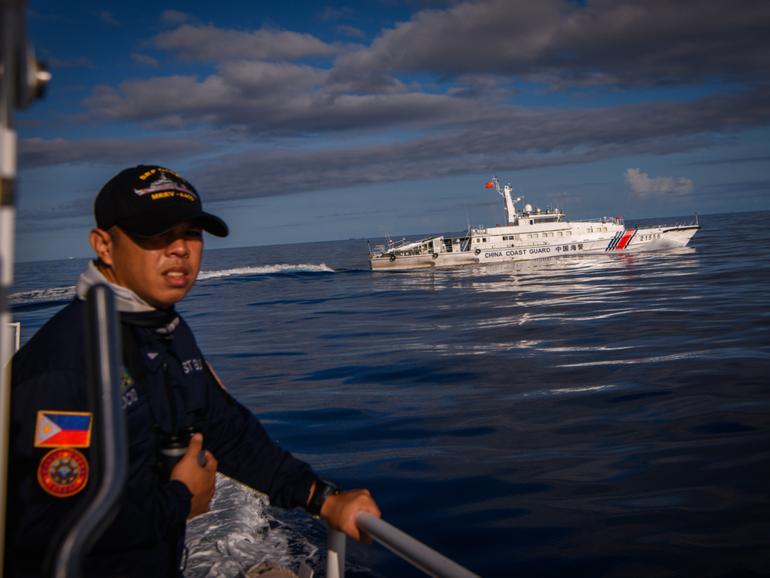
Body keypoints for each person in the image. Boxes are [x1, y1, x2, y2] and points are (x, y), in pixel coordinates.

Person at [5, 165, 380, 577]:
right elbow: (48, 526)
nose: (180, 249)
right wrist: (182, 498)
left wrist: (321, 497)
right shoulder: (64, 365)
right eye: (155, 233)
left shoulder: (164, 330)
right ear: (105, 246)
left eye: (191, 233)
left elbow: (226, 429)